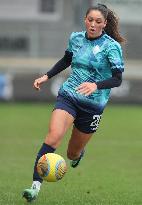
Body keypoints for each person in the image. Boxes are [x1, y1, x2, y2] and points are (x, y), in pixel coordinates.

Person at [22, 3, 125, 202]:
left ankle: (78, 154)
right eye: (90, 20)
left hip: (93, 105)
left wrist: (96, 85)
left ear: (104, 24)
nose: (93, 24)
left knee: (71, 153)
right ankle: (34, 187)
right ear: (85, 20)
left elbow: (117, 79)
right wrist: (46, 76)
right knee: (53, 138)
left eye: (98, 21)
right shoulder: (76, 38)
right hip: (69, 95)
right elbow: (66, 60)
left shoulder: (112, 46)